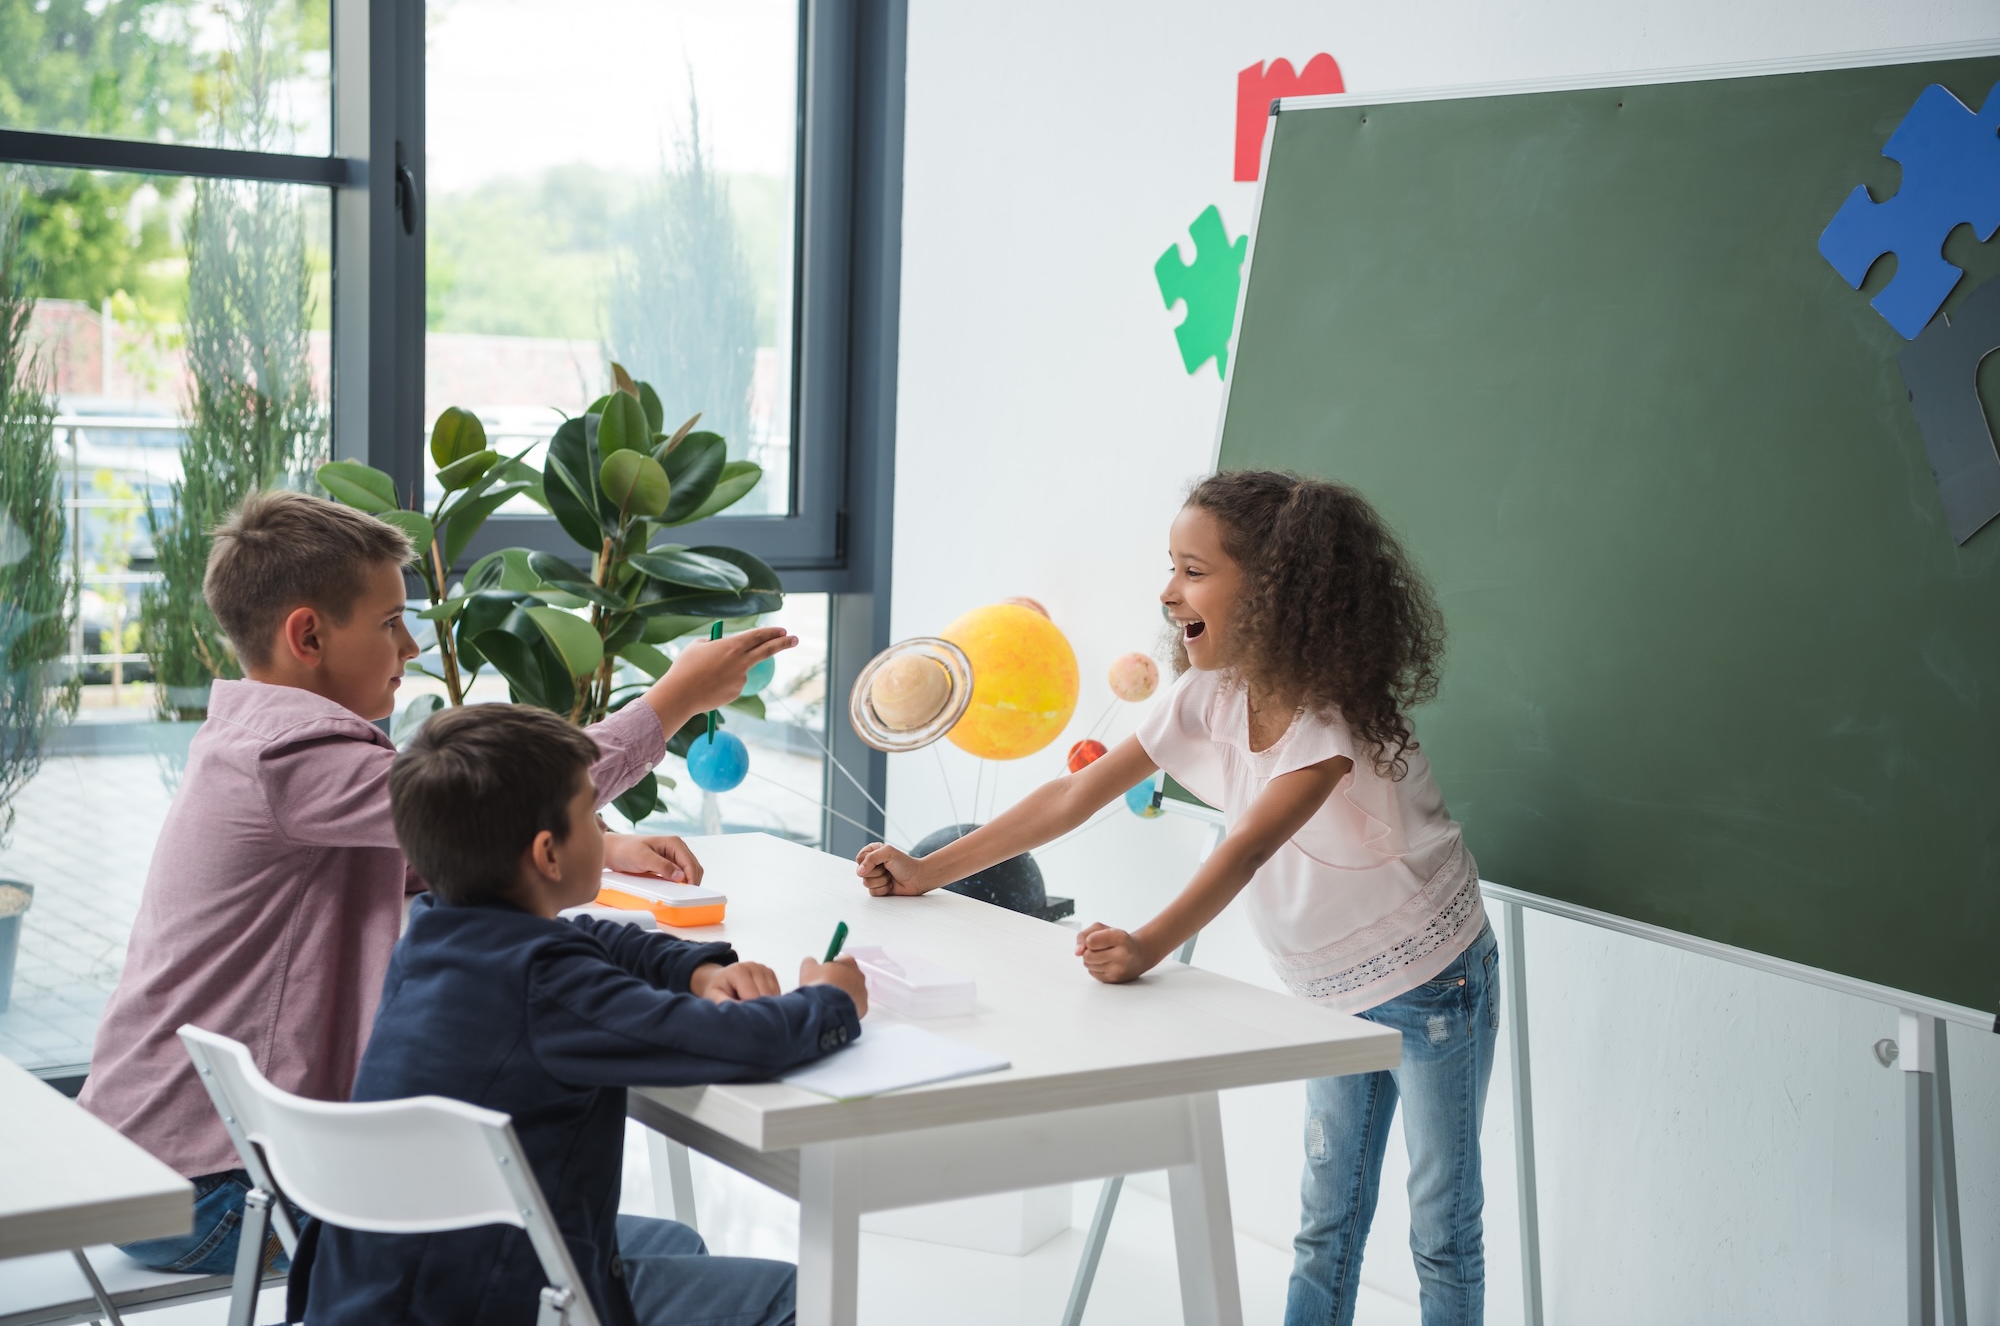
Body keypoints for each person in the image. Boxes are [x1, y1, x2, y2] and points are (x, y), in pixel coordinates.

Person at [83, 489, 796, 1276]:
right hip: (215, 1189)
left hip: (169, 1156)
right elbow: (501, 796)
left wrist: (601, 838)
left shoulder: (252, 741)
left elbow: (426, 850)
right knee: (598, 1247)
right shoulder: (291, 758)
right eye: (391, 621)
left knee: (653, 1245)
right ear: (308, 634)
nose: (413, 645)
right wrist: (675, 699)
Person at [856, 470, 1496, 1326]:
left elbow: (1248, 846)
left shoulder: (1329, 724)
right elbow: (1070, 795)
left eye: (1193, 570)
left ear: (1271, 591)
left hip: (1431, 983)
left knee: (1440, 1228)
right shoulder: (1208, 696)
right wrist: (929, 869)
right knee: (1328, 1220)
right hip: (1334, 992)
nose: (1168, 591)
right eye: (1171, 566)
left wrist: (1148, 943)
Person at [293, 702, 866, 1325]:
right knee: (799, 1297)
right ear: (548, 854)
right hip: (490, 1302)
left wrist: (692, 969)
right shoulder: (549, 986)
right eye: (592, 815)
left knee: (676, 1242)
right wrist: (832, 998)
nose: (603, 830)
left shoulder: (433, 933)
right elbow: (734, 1043)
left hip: (393, 1282)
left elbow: (588, 936)